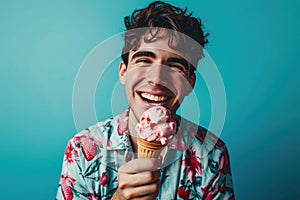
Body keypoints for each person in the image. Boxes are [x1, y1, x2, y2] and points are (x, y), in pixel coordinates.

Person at [56, 1, 234, 199]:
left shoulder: (211, 153)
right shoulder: (82, 149)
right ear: (123, 72)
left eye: (175, 65)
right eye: (144, 60)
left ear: (189, 83)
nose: (157, 79)